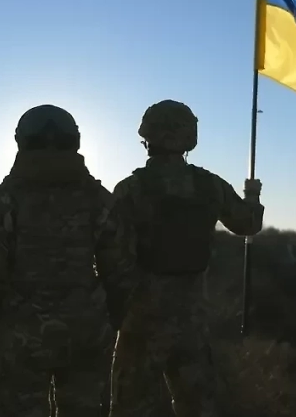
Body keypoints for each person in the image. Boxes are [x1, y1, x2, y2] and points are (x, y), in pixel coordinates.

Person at [0, 104, 137, 417]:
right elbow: (122, 270)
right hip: (86, 333)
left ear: (22, 141)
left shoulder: (4, 198)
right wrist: (114, 322)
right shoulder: (98, 198)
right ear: (75, 141)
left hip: (20, 336)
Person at [108, 99, 264, 417]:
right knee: (198, 404)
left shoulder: (130, 189)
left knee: (130, 406)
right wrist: (252, 195)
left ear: (147, 136)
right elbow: (247, 224)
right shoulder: (210, 186)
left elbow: (112, 256)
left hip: (142, 320)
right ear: (189, 137)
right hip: (192, 319)